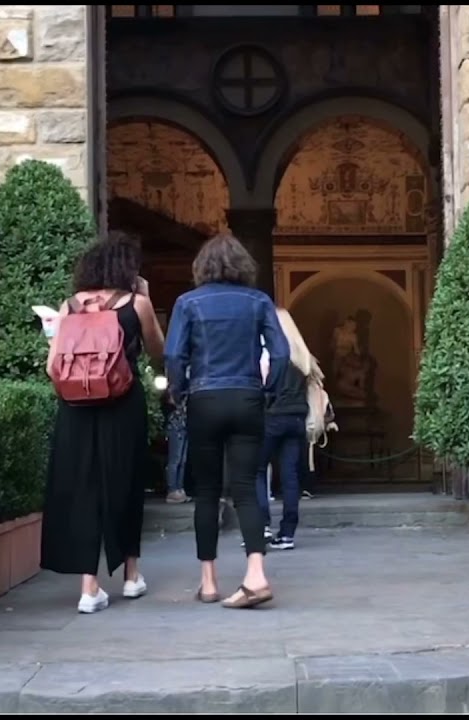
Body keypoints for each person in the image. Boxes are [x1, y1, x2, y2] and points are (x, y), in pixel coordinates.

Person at [40, 230, 165, 615]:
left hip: (76, 408)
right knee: (124, 482)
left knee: (83, 488)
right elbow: (160, 353)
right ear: (128, 267)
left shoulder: (69, 306)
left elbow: (51, 366)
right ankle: (130, 576)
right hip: (122, 403)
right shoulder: (136, 303)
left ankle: (88, 588)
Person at [164, 233, 289, 609]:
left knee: (205, 492)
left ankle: (208, 582)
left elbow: (173, 354)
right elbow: (281, 353)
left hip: (204, 398)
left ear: (202, 267)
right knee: (247, 487)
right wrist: (269, 392)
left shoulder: (188, 303)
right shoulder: (259, 301)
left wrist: (179, 389)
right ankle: (256, 574)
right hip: (248, 396)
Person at [254, 308, 314, 550]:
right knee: (290, 475)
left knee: (257, 469)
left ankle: (262, 526)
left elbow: (262, 384)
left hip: (271, 416)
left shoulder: (269, 353)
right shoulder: (303, 356)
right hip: (297, 418)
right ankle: (287, 533)